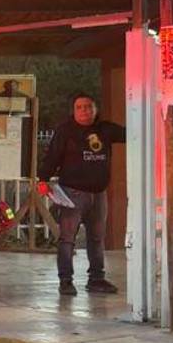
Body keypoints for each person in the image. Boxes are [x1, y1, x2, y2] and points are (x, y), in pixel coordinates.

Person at [37, 93, 126, 296]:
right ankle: (66, 281)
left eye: (88, 106)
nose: (85, 110)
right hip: (72, 193)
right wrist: (42, 179)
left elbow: (133, 133)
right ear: (73, 110)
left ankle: (97, 278)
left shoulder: (105, 129)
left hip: (99, 193)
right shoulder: (65, 131)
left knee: (97, 238)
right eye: (80, 107)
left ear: (95, 109)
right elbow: (52, 157)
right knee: (67, 239)